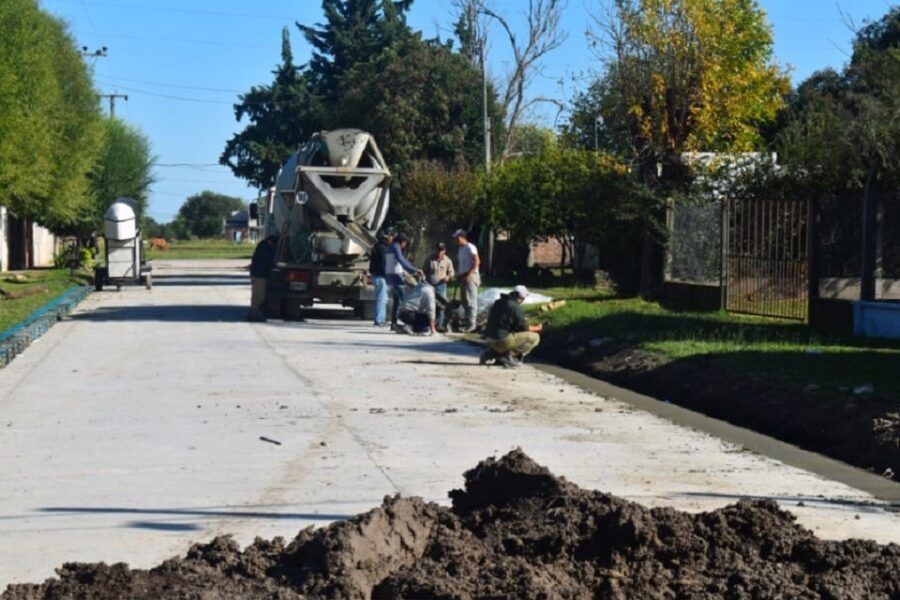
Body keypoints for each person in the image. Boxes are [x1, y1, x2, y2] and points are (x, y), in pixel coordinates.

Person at [481, 285, 543, 368]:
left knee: (507, 335)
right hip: (501, 340)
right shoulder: (515, 307)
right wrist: (537, 328)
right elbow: (524, 328)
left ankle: (491, 353)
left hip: (488, 339)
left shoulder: (499, 302)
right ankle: (509, 356)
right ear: (521, 297)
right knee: (535, 337)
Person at [384, 232, 421, 329]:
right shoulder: (396, 247)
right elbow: (401, 260)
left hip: (390, 278)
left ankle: (394, 323)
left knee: (396, 302)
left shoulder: (390, 247)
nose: (405, 245)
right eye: (405, 243)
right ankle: (408, 323)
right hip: (396, 278)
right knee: (406, 301)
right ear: (403, 241)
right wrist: (414, 269)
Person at [452, 229, 480, 332]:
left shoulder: (470, 247)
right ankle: (467, 322)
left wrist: (469, 274)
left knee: (471, 301)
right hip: (463, 276)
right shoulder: (460, 248)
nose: (455, 240)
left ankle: (472, 325)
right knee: (465, 301)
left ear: (462, 237)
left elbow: (477, 262)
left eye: (457, 238)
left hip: (471, 275)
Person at [248, 234, 279, 322]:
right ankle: (254, 314)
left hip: (256, 273)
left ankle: (253, 313)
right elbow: (268, 260)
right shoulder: (265, 249)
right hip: (259, 275)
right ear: (271, 242)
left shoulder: (262, 246)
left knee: (256, 296)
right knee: (260, 296)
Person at [424, 242, 454, 330]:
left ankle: (440, 325)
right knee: (430, 305)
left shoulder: (448, 260)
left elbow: (452, 272)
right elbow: (425, 271)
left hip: (441, 286)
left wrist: (448, 277)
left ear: (444, 251)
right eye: (438, 250)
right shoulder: (429, 259)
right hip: (430, 286)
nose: (439, 252)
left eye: (441, 250)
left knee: (441, 305)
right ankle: (430, 325)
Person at [369, 230, 393, 327]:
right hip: (381, 276)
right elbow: (384, 264)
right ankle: (379, 320)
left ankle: (381, 319)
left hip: (378, 275)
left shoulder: (379, 246)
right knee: (381, 299)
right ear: (389, 237)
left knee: (383, 299)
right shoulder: (383, 248)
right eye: (392, 237)